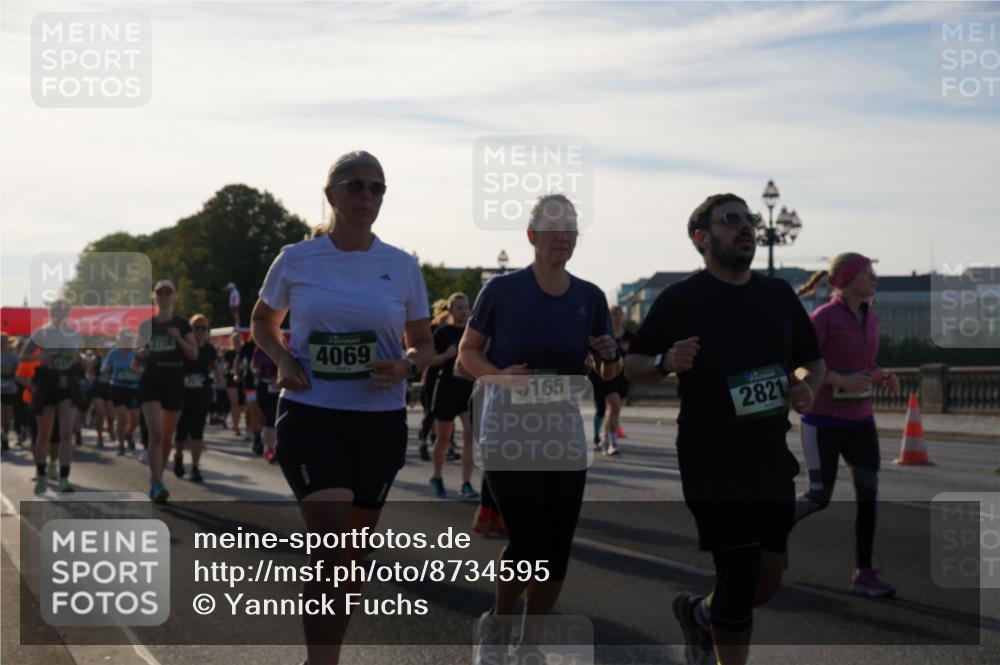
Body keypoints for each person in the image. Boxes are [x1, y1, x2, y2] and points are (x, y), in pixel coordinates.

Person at [625, 193, 826, 665]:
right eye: (732, 219)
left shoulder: (777, 296)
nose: (747, 227)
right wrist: (665, 361)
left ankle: (699, 614)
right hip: (710, 455)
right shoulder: (681, 299)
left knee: (767, 579)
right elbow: (633, 364)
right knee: (739, 567)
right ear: (702, 237)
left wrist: (807, 387)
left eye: (750, 219)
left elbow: (813, 362)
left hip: (769, 456)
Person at [251, 150, 432, 665]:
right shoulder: (297, 258)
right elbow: (262, 321)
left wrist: (408, 366)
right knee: (331, 547)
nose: (367, 197)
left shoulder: (402, 265)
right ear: (331, 194)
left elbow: (422, 342)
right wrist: (284, 359)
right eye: (356, 186)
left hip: (379, 421)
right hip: (313, 413)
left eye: (378, 188)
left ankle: (324, 654)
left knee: (351, 557)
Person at [458, 193, 621, 663]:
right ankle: (498, 623)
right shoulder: (502, 291)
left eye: (570, 227)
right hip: (507, 433)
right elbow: (467, 354)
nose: (562, 235)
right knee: (530, 541)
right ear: (532, 235)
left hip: (563, 436)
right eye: (552, 227)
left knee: (556, 549)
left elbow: (608, 372)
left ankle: (530, 644)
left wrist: (609, 355)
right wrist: (497, 376)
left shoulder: (590, 297)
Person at [793, 253, 900, 597]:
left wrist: (882, 374)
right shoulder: (823, 317)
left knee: (868, 495)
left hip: (861, 421)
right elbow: (797, 365)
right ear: (847, 279)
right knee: (819, 497)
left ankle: (863, 572)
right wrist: (839, 380)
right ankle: (769, 532)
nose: (874, 278)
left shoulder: (872, 317)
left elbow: (865, 362)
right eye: (868, 272)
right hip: (822, 421)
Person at [136, 279, 197, 502]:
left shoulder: (182, 324)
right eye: (159, 292)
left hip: (174, 379)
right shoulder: (147, 325)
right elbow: (138, 352)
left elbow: (194, 354)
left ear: (174, 297)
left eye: (167, 292)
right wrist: (142, 352)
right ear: (154, 296)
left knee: (167, 438)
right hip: (151, 379)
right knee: (156, 434)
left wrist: (178, 338)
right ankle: (156, 483)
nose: (163, 296)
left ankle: (157, 478)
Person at [20, 299, 85, 494]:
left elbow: (78, 357)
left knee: (66, 433)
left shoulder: (75, 334)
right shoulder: (41, 333)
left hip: (67, 383)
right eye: (56, 310)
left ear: (68, 313)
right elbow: (24, 356)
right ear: (50, 312)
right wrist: (40, 357)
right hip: (47, 383)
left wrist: (80, 361)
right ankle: (41, 475)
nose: (60, 313)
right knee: (44, 434)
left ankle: (64, 478)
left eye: (64, 310)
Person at [428, 292, 478, 499]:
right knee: (444, 438)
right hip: (447, 389)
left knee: (469, 436)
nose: (464, 311)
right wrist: (445, 356)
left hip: (468, 389)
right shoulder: (442, 333)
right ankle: (437, 476)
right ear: (450, 310)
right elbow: (429, 361)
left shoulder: (474, 333)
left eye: (466, 307)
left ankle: (466, 483)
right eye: (459, 307)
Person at [174, 314, 222, 482]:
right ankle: (178, 456)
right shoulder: (183, 347)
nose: (200, 331)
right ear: (190, 329)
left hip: (202, 394)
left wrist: (220, 379)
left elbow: (215, 367)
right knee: (181, 431)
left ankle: (195, 467)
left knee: (197, 431)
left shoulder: (209, 349)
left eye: (203, 328)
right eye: (196, 327)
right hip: (182, 394)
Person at [588, 305, 634, 455]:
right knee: (610, 407)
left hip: (623, 376)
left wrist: (628, 351)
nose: (618, 317)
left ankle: (606, 439)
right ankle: (610, 443)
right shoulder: (604, 335)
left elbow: (637, 355)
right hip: (606, 375)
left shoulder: (630, 335)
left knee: (615, 410)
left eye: (620, 314)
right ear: (609, 317)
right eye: (615, 314)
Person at [106, 329, 141, 455]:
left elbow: (143, 368)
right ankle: (121, 445)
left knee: (135, 420)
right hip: (118, 387)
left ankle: (127, 435)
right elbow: (105, 367)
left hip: (133, 387)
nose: (128, 341)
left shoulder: (137, 353)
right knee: (122, 417)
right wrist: (107, 369)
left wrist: (137, 370)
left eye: (130, 338)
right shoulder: (113, 353)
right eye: (125, 338)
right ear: (120, 339)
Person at [251, 342, 280, 462]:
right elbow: (253, 366)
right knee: (269, 418)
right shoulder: (259, 350)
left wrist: (280, 379)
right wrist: (255, 371)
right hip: (264, 386)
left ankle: (278, 447)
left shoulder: (282, 348)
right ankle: (270, 449)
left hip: (280, 387)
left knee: (278, 418)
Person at [223, 333, 245, 437]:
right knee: (234, 404)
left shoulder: (244, 352)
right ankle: (236, 426)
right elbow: (225, 368)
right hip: (231, 380)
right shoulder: (229, 354)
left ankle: (235, 421)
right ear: (231, 342)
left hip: (243, 381)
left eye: (238, 340)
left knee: (242, 405)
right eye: (235, 341)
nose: (237, 342)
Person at [1, 334, 19, 450]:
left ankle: (5, 435)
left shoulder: (13, 356)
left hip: (9, 388)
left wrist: (10, 372)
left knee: (7, 415)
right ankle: (2, 436)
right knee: (1, 415)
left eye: (2, 342)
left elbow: (19, 370)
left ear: (6, 342)